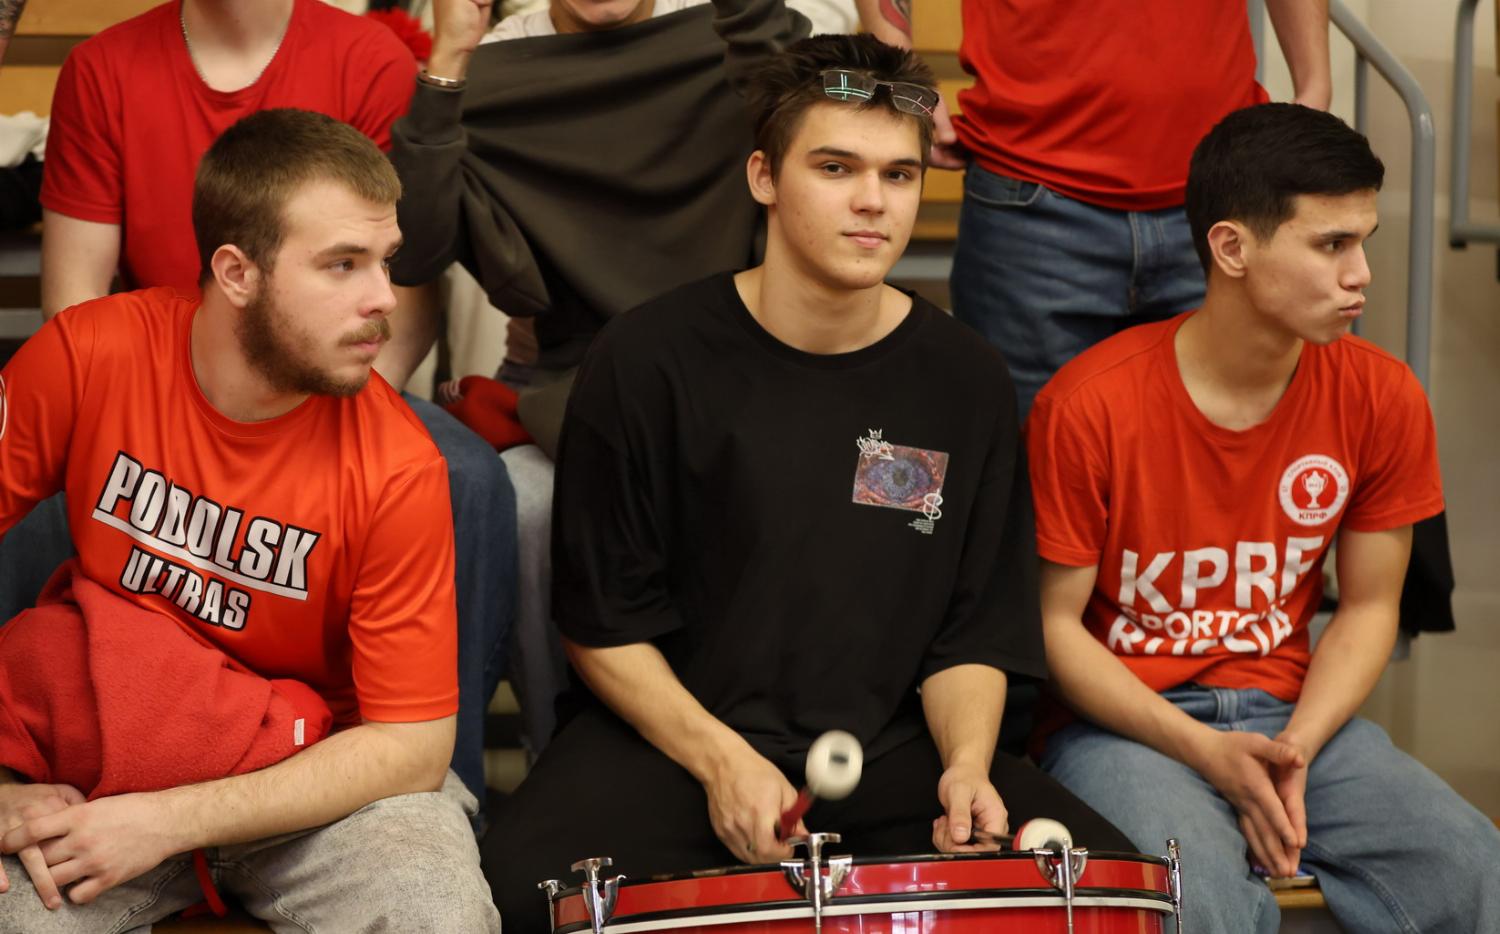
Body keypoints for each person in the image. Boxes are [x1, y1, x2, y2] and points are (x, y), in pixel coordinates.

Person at [483, 34, 1135, 933]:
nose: (873, 201)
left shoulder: (965, 377)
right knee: (516, 898)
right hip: (675, 746)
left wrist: (966, 767)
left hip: (894, 757)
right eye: (836, 168)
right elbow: (603, 629)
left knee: (1109, 899)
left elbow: (974, 633)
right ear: (763, 177)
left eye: (899, 175)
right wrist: (722, 763)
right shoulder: (646, 358)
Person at [8, 0, 516, 813]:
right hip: (175, 372)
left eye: (374, 265)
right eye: (346, 264)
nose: (377, 289)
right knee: (54, 496)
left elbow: (403, 284)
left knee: (464, 477)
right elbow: (77, 296)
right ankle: (26, 751)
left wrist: (334, 417)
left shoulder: (365, 56)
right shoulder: (107, 67)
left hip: (331, 381)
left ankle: (441, 792)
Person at [1026, 103, 1500, 934]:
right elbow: (1053, 631)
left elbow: (1370, 606)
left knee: (1470, 863)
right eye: (1332, 245)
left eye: (1365, 241)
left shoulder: (1383, 395)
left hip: (1294, 719)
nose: (1361, 274)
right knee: (1194, 899)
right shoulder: (1087, 405)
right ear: (1232, 248)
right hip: (1123, 727)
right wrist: (1207, 751)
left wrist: (1296, 750)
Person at [388, 0, 812, 756]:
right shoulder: (497, 62)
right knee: (526, 506)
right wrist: (447, 62)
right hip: (571, 383)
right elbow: (415, 248)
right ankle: (561, 755)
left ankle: (747, 748)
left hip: (736, 363)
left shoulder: (722, 31)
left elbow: (801, 118)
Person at [859, 0, 1331, 417]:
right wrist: (903, 80)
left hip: (1217, 200)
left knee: (1214, 469)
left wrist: (1315, 85)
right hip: (1031, 201)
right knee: (1028, 467)